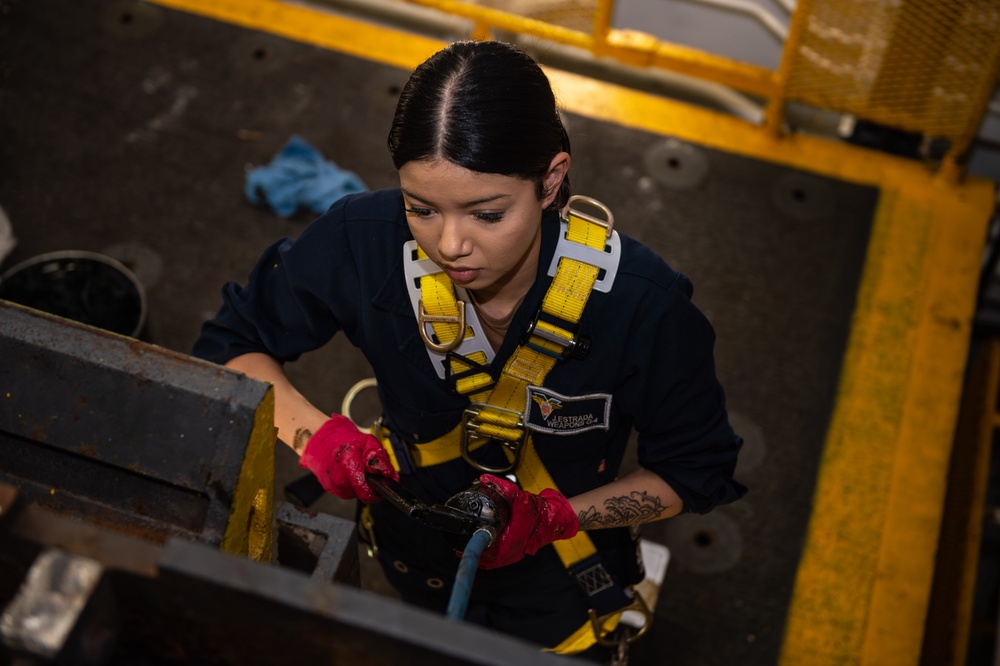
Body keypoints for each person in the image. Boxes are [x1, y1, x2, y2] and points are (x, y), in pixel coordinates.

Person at [193, 40, 746, 661]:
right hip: (411, 537)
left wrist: (557, 519)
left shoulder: (642, 306)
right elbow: (234, 342)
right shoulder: (361, 242)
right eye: (420, 208)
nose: (449, 244)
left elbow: (692, 470)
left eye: (487, 214)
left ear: (551, 180)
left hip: (560, 572)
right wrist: (315, 437)